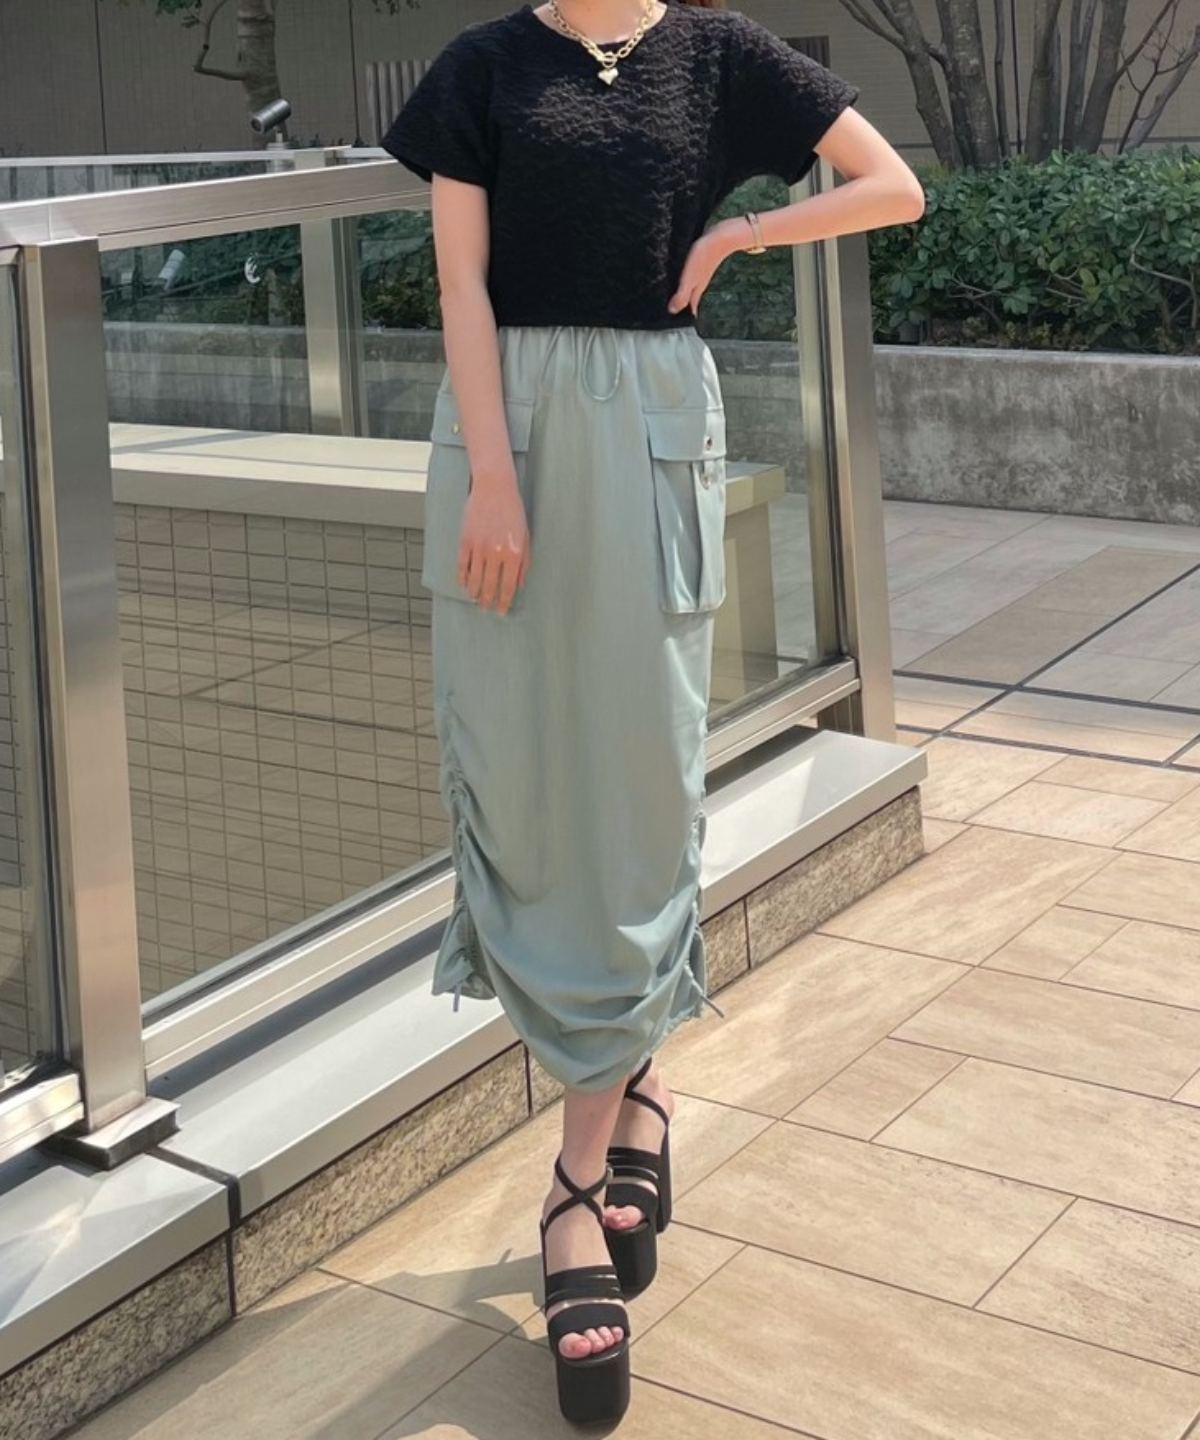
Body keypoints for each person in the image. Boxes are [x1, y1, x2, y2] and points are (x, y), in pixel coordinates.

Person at [382, 0, 923, 1423]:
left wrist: (744, 235)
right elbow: (459, 288)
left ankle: (576, 1181)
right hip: (502, 433)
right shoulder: (484, 66)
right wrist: (495, 476)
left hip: (653, 424)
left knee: (641, 780)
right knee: (516, 776)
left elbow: (893, 186)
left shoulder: (722, 56)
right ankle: (639, 1099)